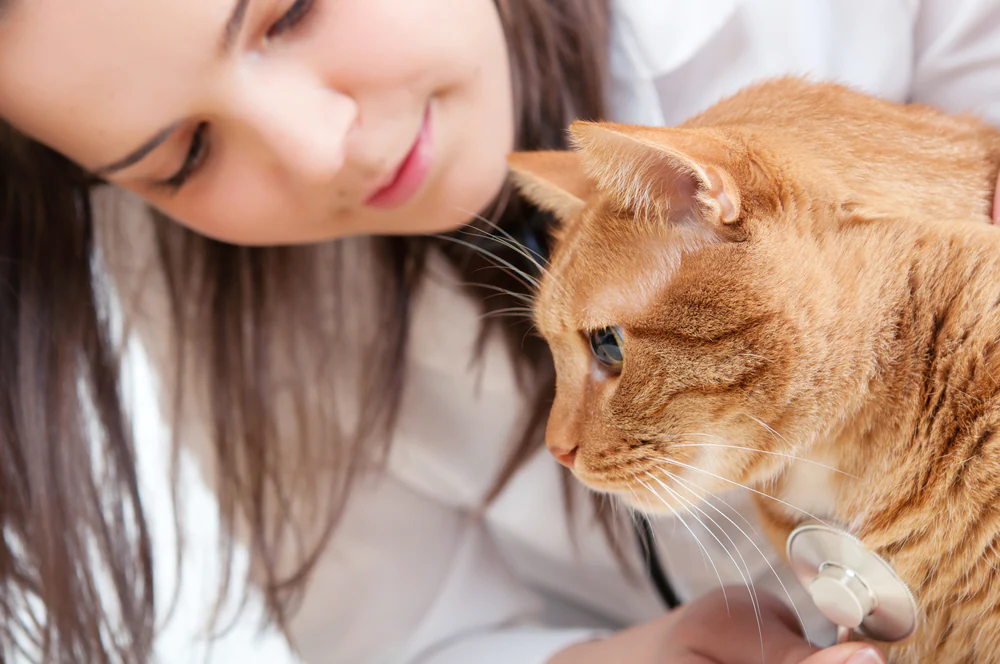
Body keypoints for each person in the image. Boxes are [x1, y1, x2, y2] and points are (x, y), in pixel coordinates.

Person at [1, 1, 999, 663]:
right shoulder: (210, 291)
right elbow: (408, 634)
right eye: (184, 156)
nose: (317, 149)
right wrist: (617, 659)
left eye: (289, 10)